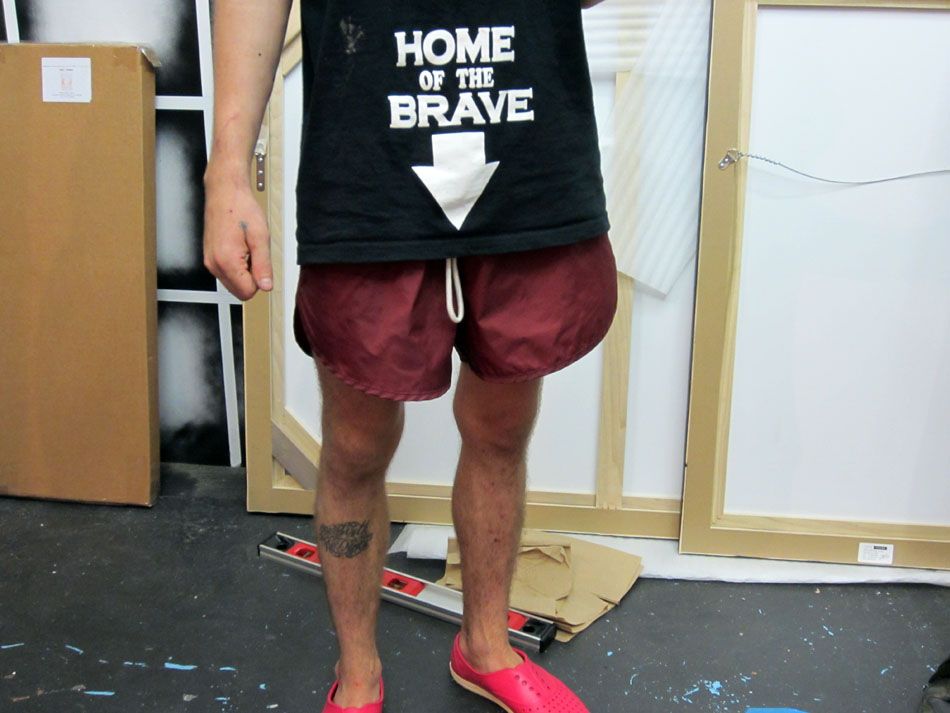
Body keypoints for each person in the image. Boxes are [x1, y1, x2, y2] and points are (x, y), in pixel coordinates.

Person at [204, 1, 612, 711]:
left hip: (527, 155)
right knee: (356, 444)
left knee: (502, 427)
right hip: (368, 164)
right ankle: (358, 672)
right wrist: (227, 169)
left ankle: (485, 645)